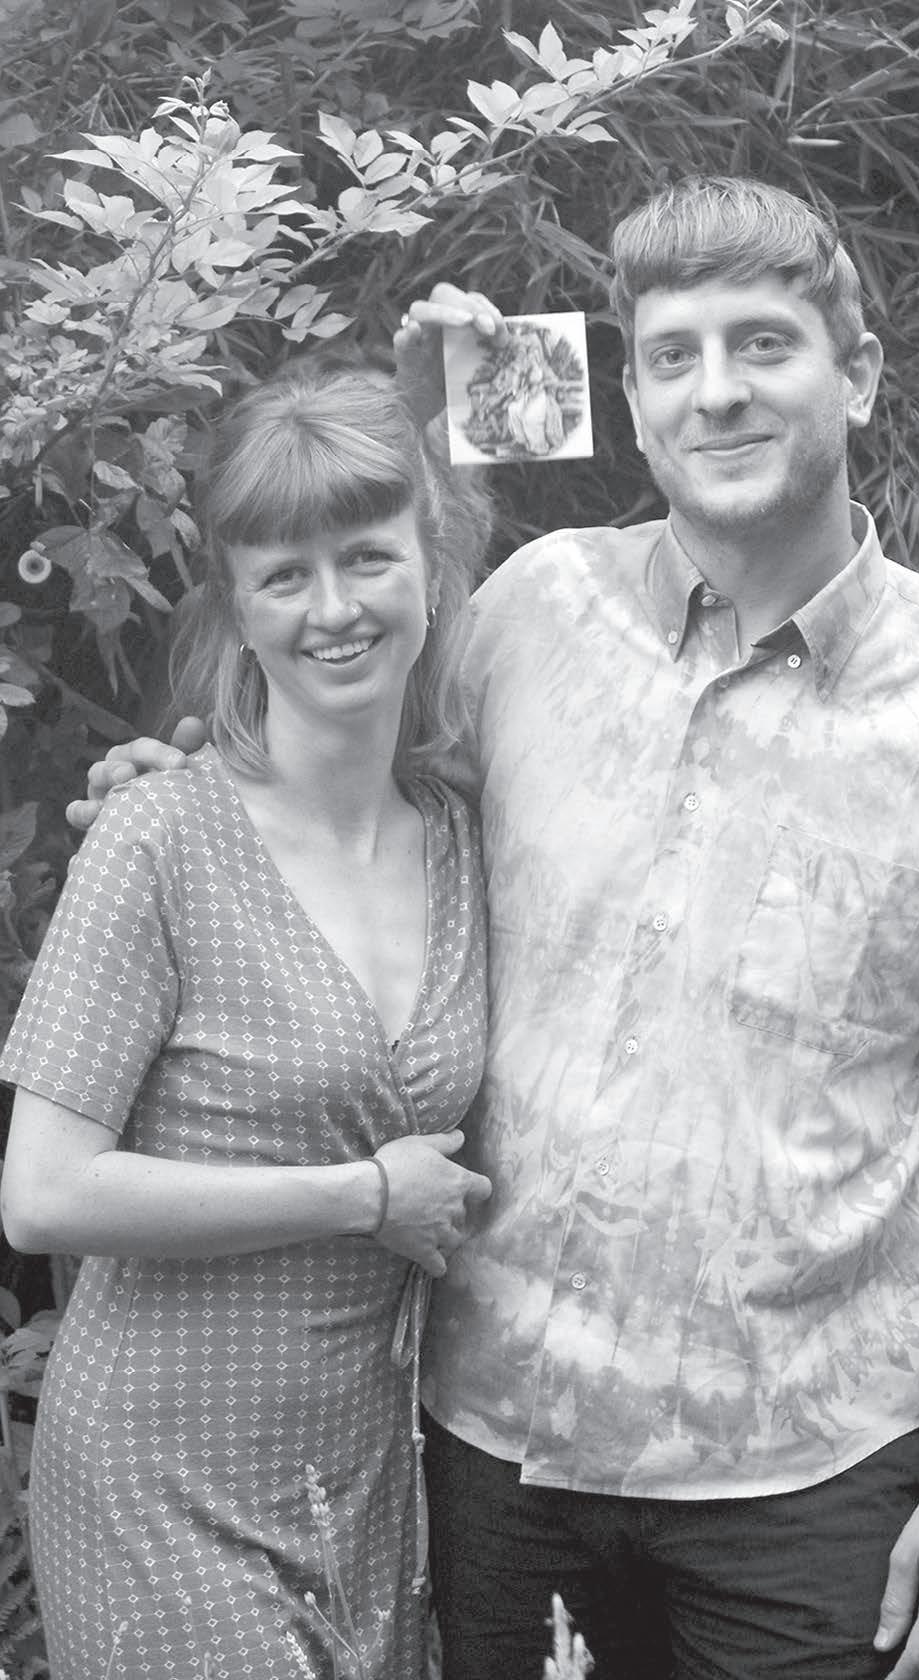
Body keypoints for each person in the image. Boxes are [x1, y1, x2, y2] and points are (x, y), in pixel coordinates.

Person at [72, 177, 919, 1680]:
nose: (718, 392)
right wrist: (182, 793)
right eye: (674, 356)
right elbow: (348, 773)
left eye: (763, 345)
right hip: (500, 1447)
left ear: (859, 375)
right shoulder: (531, 613)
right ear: (631, 401)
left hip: (811, 1468)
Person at [0, 364, 493, 1680]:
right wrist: (359, 1198)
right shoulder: (160, 834)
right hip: (162, 1485)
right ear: (235, 605)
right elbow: (42, 1195)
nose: (334, 609)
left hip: (365, 1486)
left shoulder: (463, 837)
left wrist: (446, 382)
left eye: (367, 558)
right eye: (285, 576)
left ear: (432, 565)